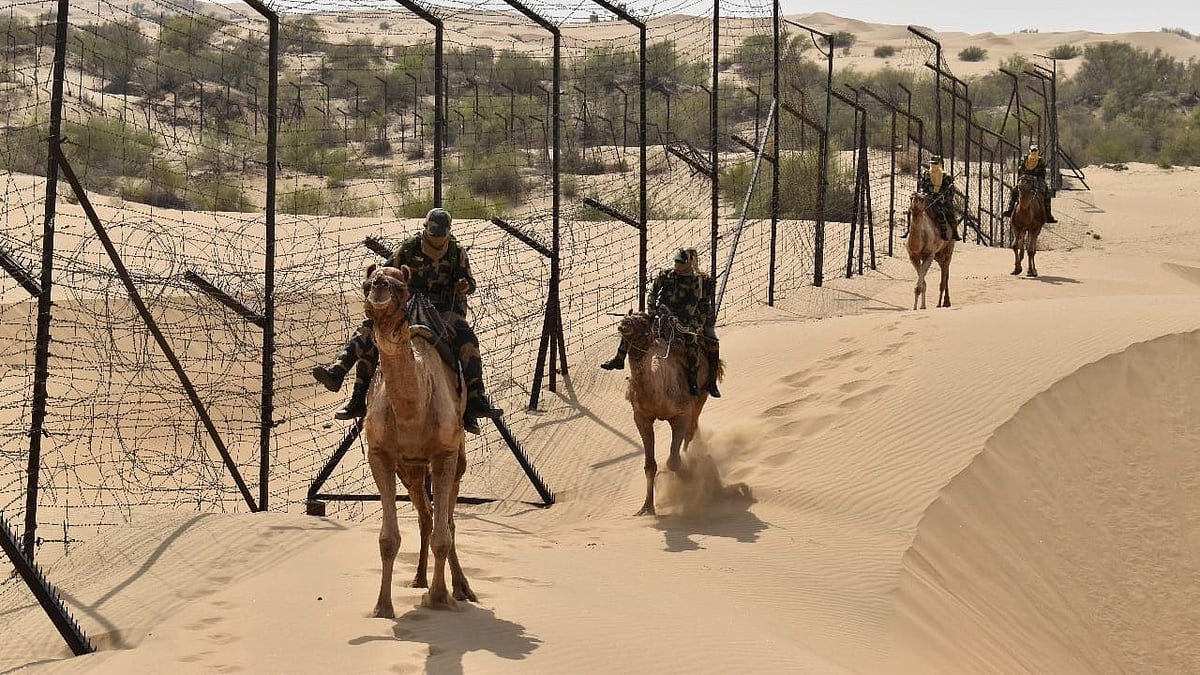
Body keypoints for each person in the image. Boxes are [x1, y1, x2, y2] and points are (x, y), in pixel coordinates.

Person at [312, 207, 503, 435]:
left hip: (443, 310)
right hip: (410, 305)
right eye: (432, 233)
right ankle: (345, 382)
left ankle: (475, 399)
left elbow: (470, 282)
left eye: (440, 234)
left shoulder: (456, 252)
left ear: (448, 232)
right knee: (370, 331)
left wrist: (463, 285)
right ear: (425, 230)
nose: (436, 238)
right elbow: (388, 272)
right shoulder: (409, 247)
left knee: (467, 339)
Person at [600, 247, 721, 398]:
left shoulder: (696, 280)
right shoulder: (665, 275)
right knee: (635, 325)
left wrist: (680, 320)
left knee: (693, 341)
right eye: (676, 261)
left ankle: (696, 379)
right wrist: (652, 310)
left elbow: (693, 303)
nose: (677, 264)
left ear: (688, 263)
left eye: (680, 262)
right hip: (662, 313)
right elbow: (652, 292)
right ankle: (619, 358)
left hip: (684, 318)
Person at [1002, 143, 1057, 223]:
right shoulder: (1025, 159)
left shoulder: (1040, 160)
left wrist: (1035, 175)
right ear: (1030, 151)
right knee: (1015, 190)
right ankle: (1010, 210)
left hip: (1037, 179)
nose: (1034, 152)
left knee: (1046, 193)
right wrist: (1025, 176)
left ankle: (1048, 215)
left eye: (1035, 150)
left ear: (1037, 151)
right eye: (1032, 150)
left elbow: (1042, 172)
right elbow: (1021, 169)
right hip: (1026, 178)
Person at [916, 155, 961, 241]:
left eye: (935, 163)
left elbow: (948, 191)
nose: (933, 165)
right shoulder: (926, 174)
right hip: (927, 196)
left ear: (939, 164)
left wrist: (942, 195)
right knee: (913, 209)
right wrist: (924, 192)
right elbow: (923, 186)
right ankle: (908, 230)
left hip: (940, 198)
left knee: (945, 212)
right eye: (931, 163)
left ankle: (951, 232)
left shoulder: (945, 176)